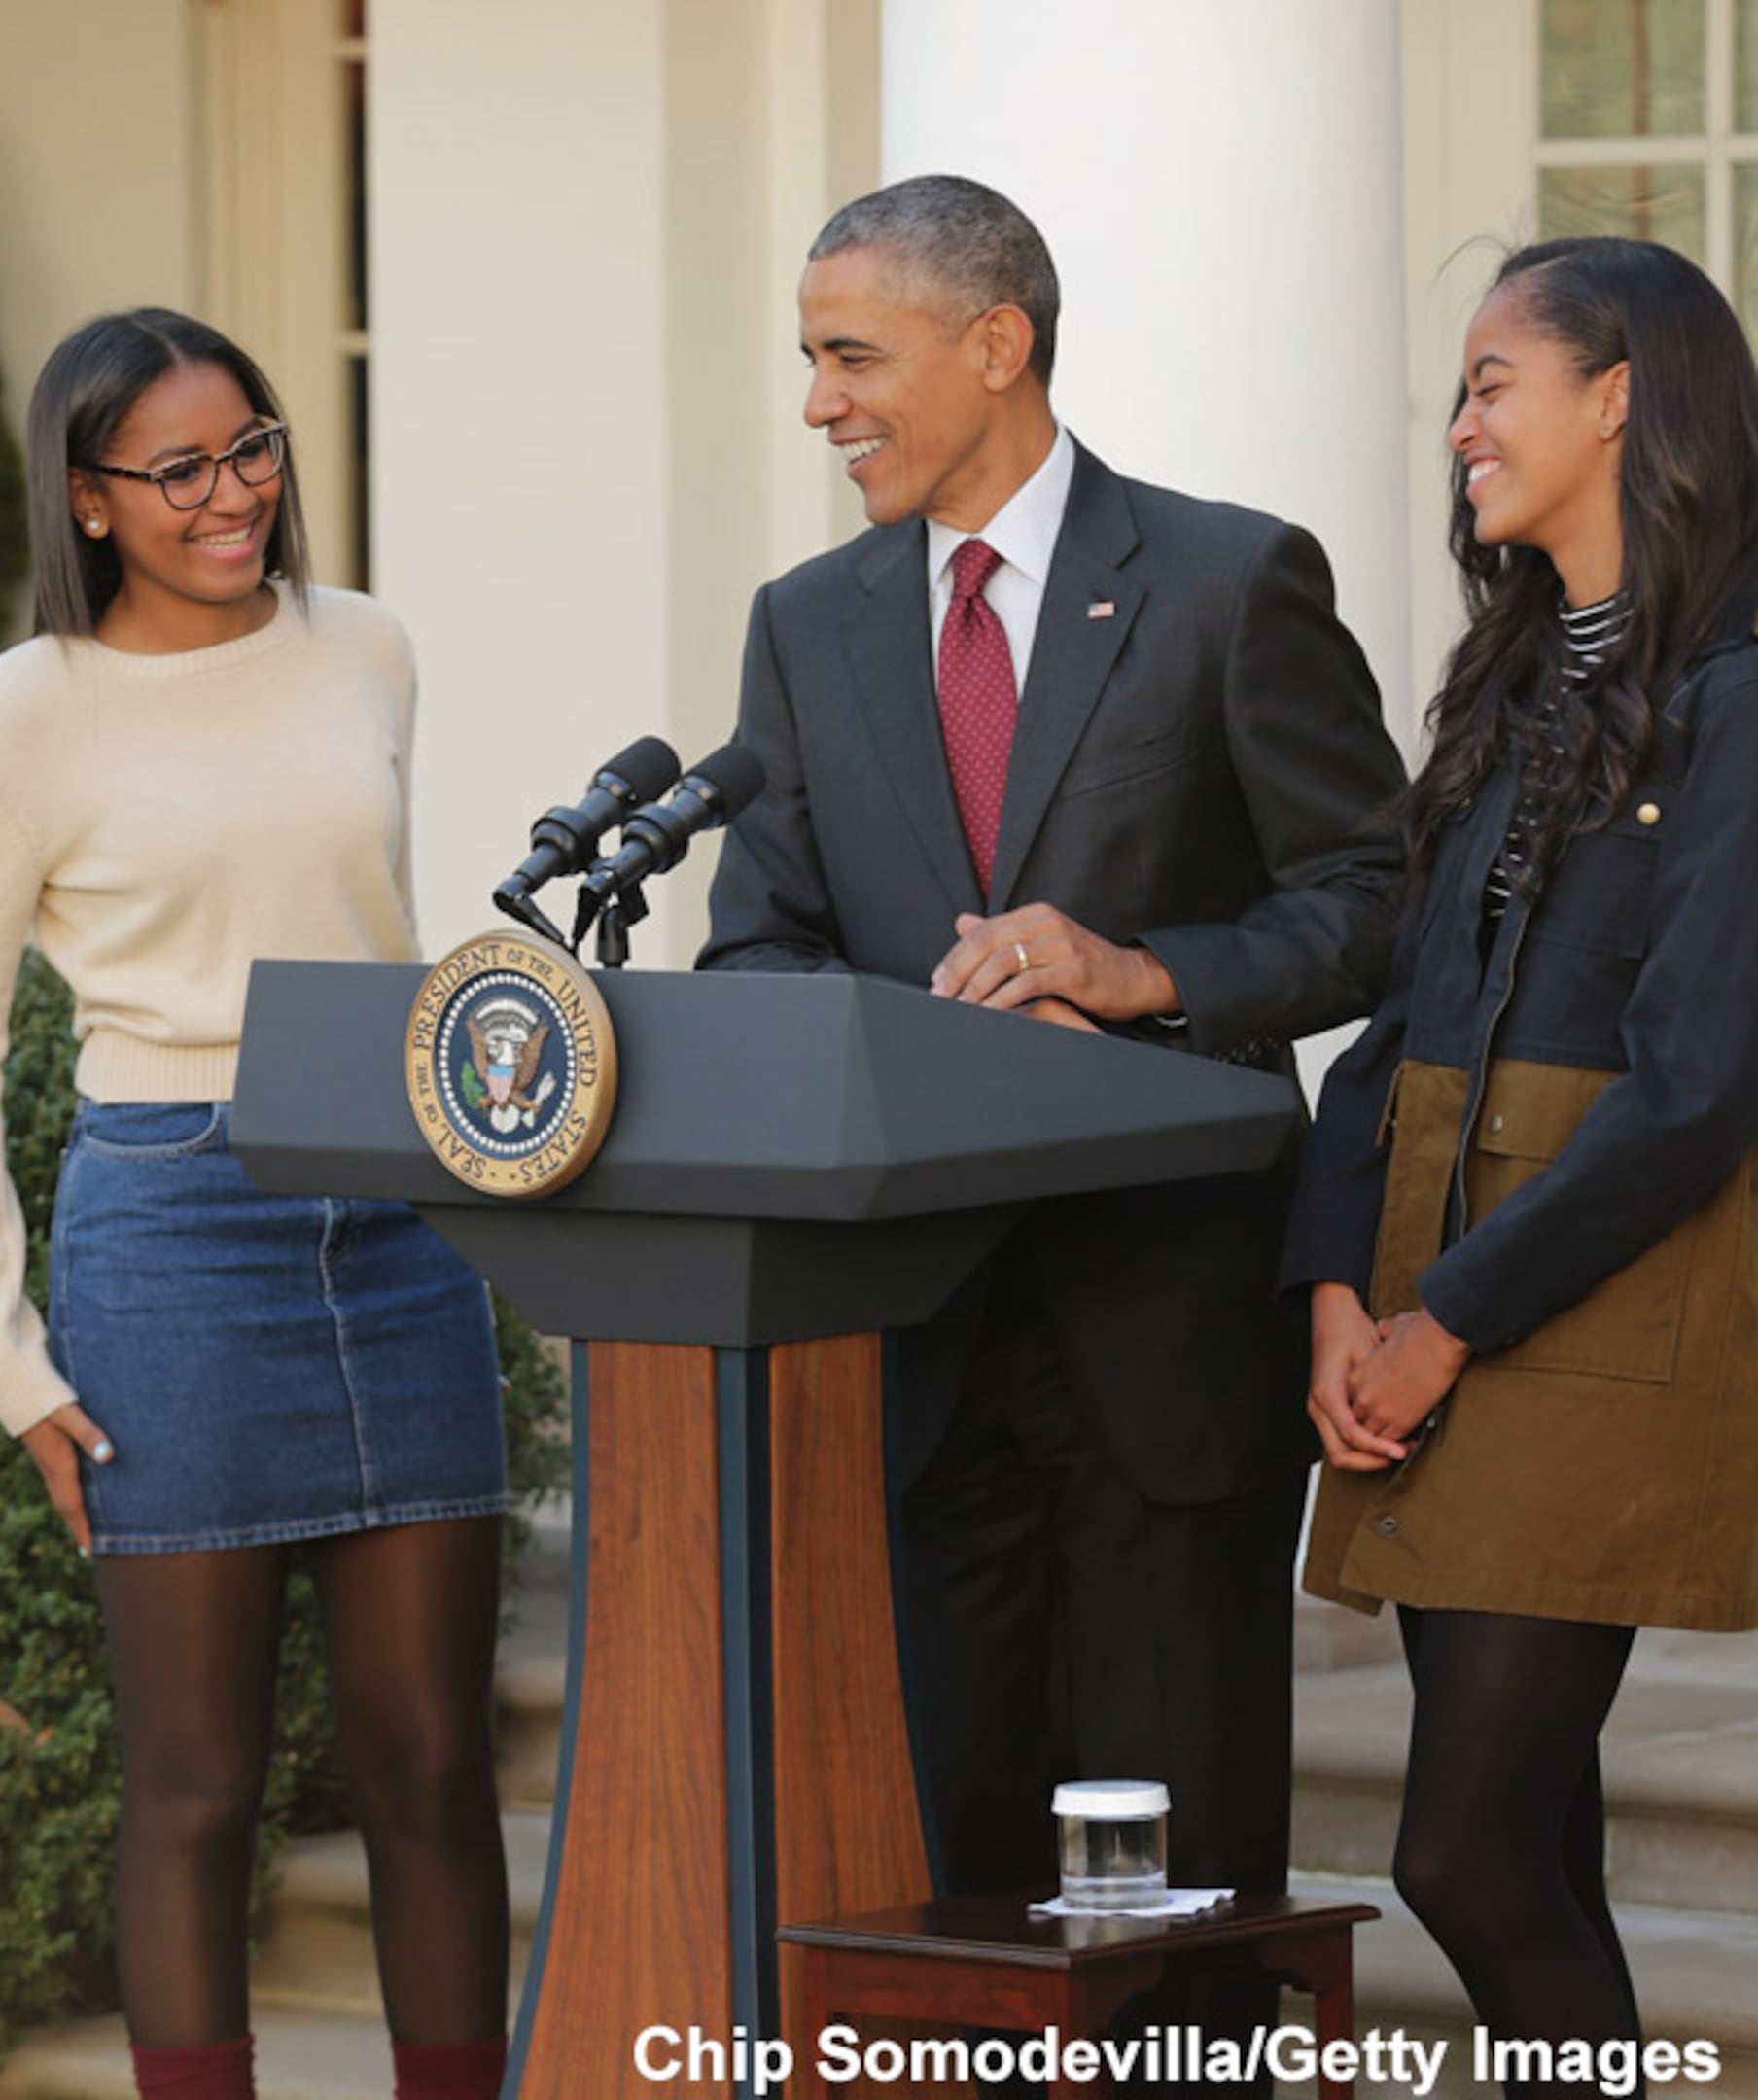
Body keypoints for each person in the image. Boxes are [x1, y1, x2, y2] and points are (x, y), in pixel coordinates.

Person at [697, 174, 1407, 2070]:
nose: (821, 402)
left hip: (1171, 1344)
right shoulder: (804, 627)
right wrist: (854, 1046)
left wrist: (1142, 971)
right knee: (983, 1892)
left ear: (993, 342)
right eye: (811, 362)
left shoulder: (1231, 581)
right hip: (923, 1357)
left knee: (1185, 1903)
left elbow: (1375, 899)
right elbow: (753, 948)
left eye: (852, 356)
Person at [0, 308, 513, 2100]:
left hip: (402, 1225)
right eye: (177, 471)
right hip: (171, 1240)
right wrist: (9, 1361)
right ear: (86, 500)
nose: (230, 494)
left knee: (430, 1763)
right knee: (193, 1783)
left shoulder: (370, 651)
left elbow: (371, 935)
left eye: (250, 449)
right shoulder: (21, 716)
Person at [1288, 235, 1758, 2086]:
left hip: (1586, 1311)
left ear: (1620, 394)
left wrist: (1444, 1322)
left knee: (1462, 1857)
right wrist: (1339, 1288)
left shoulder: (1738, 689)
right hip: (1434, 1291)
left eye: (1495, 379)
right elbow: (1399, 1027)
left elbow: (1700, 1086)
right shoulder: (1504, 683)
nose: (1463, 420)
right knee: (1537, 1841)